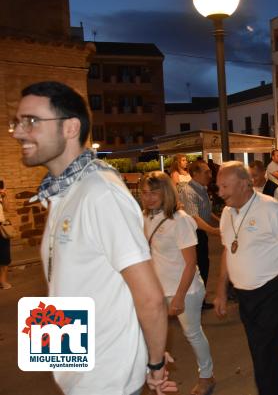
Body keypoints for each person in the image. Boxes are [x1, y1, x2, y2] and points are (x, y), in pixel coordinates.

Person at [11, 81, 175, 394]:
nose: (19, 132)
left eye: (30, 121)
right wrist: (57, 358)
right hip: (79, 372)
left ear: (70, 127)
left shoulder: (100, 193)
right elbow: (78, 284)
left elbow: (150, 298)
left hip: (105, 380)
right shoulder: (62, 193)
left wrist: (154, 364)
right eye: (16, 123)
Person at [213, 161, 278, 395]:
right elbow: (228, 250)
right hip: (245, 296)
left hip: (273, 291)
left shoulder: (271, 208)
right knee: (261, 354)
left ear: (244, 184)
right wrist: (220, 292)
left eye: (225, 186)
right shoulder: (227, 213)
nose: (220, 192)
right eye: (218, 187)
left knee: (266, 354)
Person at [141, 172, 215, 395]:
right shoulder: (145, 218)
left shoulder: (180, 219)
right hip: (158, 290)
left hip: (185, 289)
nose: (149, 197)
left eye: (154, 192)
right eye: (145, 193)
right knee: (152, 336)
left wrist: (180, 296)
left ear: (166, 192)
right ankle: (157, 376)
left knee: (192, 333)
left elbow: (190, 264)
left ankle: (207, 376)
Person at [180, 160, 221, 310]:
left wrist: (221, 221)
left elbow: (206, 212)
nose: (210, 175)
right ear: (195, 174)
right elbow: (194, 218)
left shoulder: (202, 188)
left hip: (201, 232)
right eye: (206, 172)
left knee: (204, 265)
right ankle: (194, 300)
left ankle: (200, 300)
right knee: (196, 266)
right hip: (193, 233)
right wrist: (214, 231)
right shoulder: (188, 191)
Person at [0, 183, 11, 289]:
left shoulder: (1, 197)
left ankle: (3, 281)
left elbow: (7, 209)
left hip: (2, 228)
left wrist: (4, 196)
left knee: (4, 256)